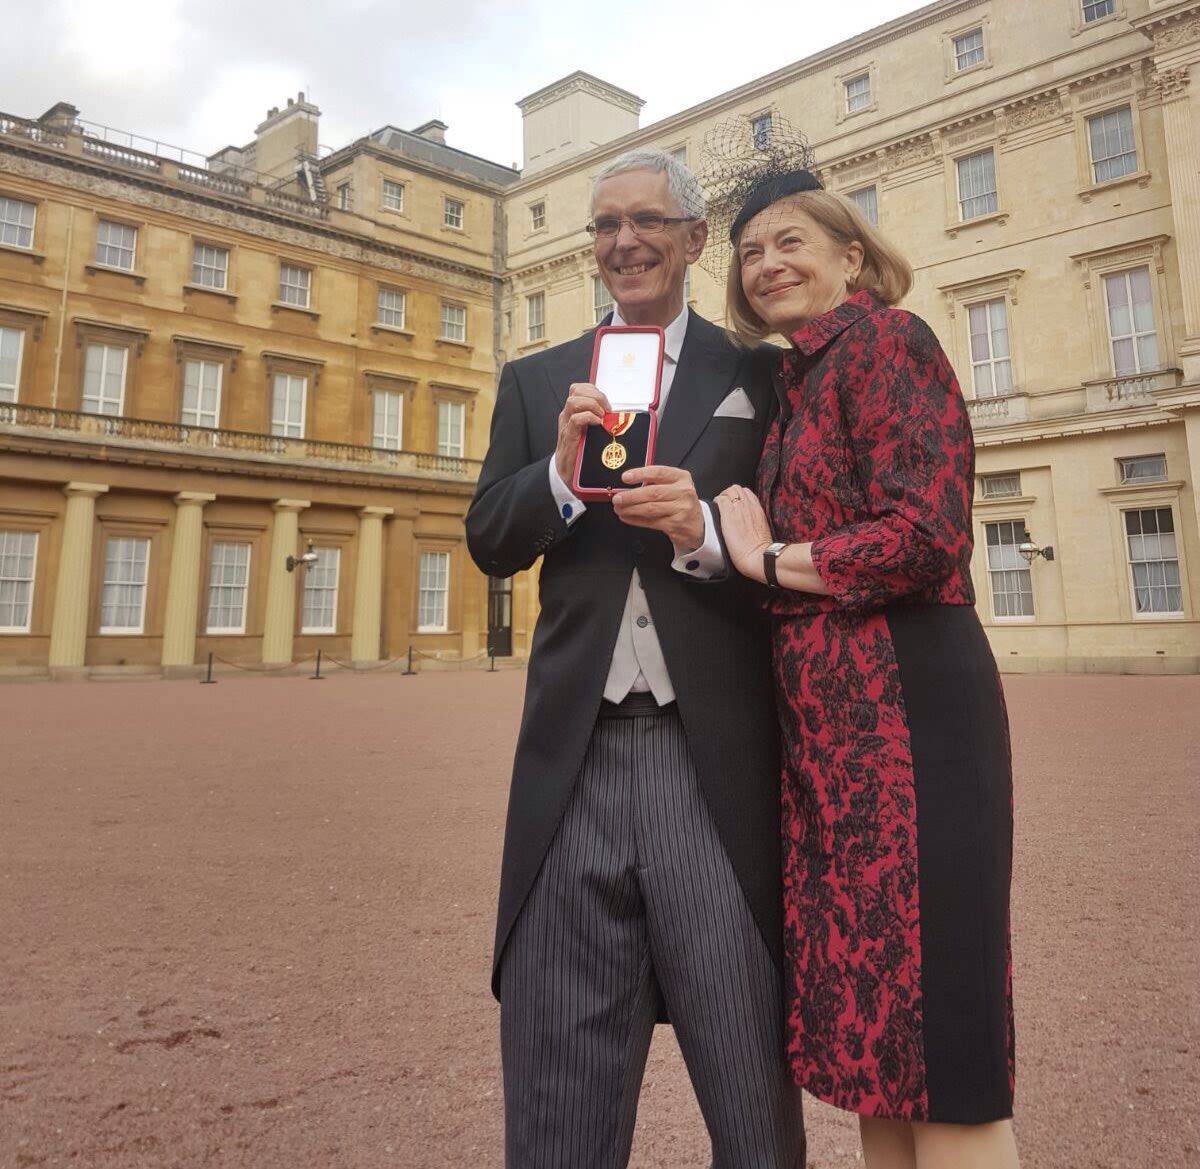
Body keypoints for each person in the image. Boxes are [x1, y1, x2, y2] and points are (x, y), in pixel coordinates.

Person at [465, 149, 805, 1169]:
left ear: (694, 238)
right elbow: (489, 538)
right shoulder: (537, 380)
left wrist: (704, 535)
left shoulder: (760, 375)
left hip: (714, 759)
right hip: (573, 761)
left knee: (749, 1075)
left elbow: (798, 544)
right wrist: (558, 479)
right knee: (558, 1083)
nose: (625, 242)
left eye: (647, 220)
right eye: (606, 225)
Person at [712, 168, 1020, 1169]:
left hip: (913, 723)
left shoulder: (890, 341)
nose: (767, 264)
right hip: (833, 749)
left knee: (942, 1047)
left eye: (789, 241)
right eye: (750, 252)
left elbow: (926, 534)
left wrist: (765, 559)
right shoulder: (795, 385)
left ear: (852, 255)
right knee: (875, 1046)